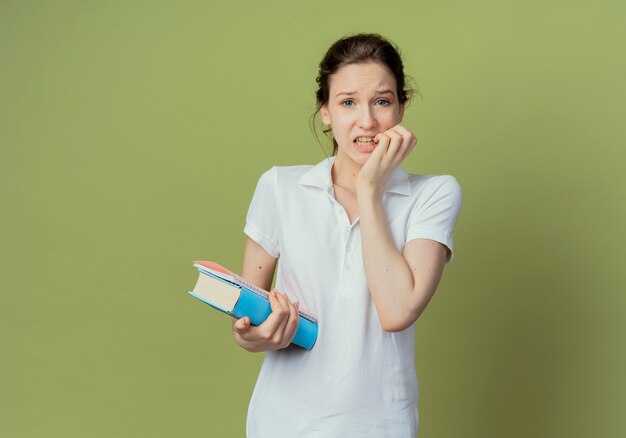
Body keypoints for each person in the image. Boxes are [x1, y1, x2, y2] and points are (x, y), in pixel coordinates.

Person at [231, 33, 462, 437]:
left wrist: (371, 189)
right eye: (348, 102)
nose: (367, 121)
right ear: (326, 112)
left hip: (380, 423)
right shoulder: (279, 188)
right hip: (281, 422)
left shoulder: (434, 193)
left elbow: (397, 311)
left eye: (382, 101)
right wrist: (255, 336)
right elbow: (248, 316)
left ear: (400, 109)